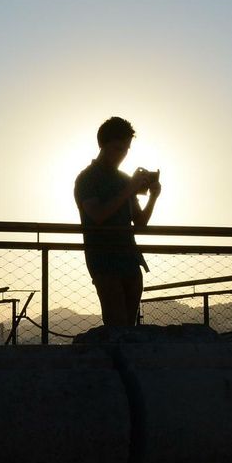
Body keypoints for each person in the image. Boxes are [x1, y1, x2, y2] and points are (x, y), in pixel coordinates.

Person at [73, 116, 161, 327]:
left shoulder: (124, 180)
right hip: (103, 259)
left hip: (129, 259)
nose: (122, 154)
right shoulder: (87, 178)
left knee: (128, 326)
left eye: (126, 150)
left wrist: (153, 198)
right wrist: (129, 189)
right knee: (117, 325)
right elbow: (98, 215)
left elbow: (140, 224)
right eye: (118, 148)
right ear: (103, 145)